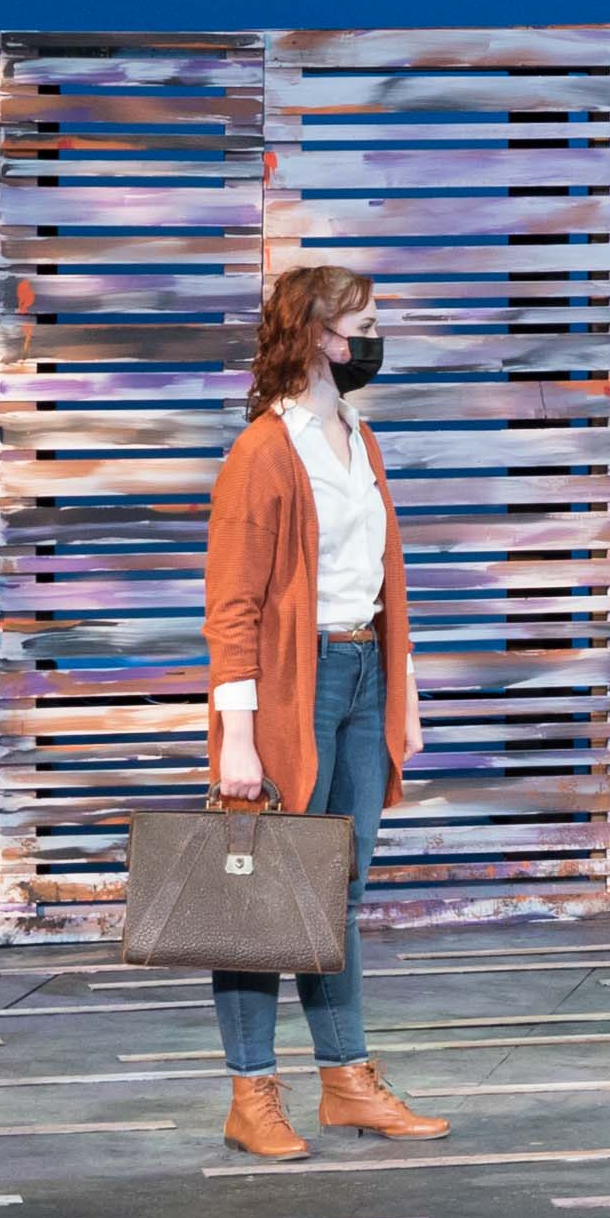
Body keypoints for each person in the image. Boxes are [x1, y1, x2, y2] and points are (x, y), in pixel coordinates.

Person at [198, 263, 450, 1160]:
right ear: (314, 335)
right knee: (261, 898)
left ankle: (345, 1081)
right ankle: (252, 1095)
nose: (373, 340)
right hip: (287, 691)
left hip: (361, 676)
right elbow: (231, 606)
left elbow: (384, 581)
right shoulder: (265, 452)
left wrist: (404, 689)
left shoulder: (362, 440)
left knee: (336, 889)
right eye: (362, 324)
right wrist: (236, 732)